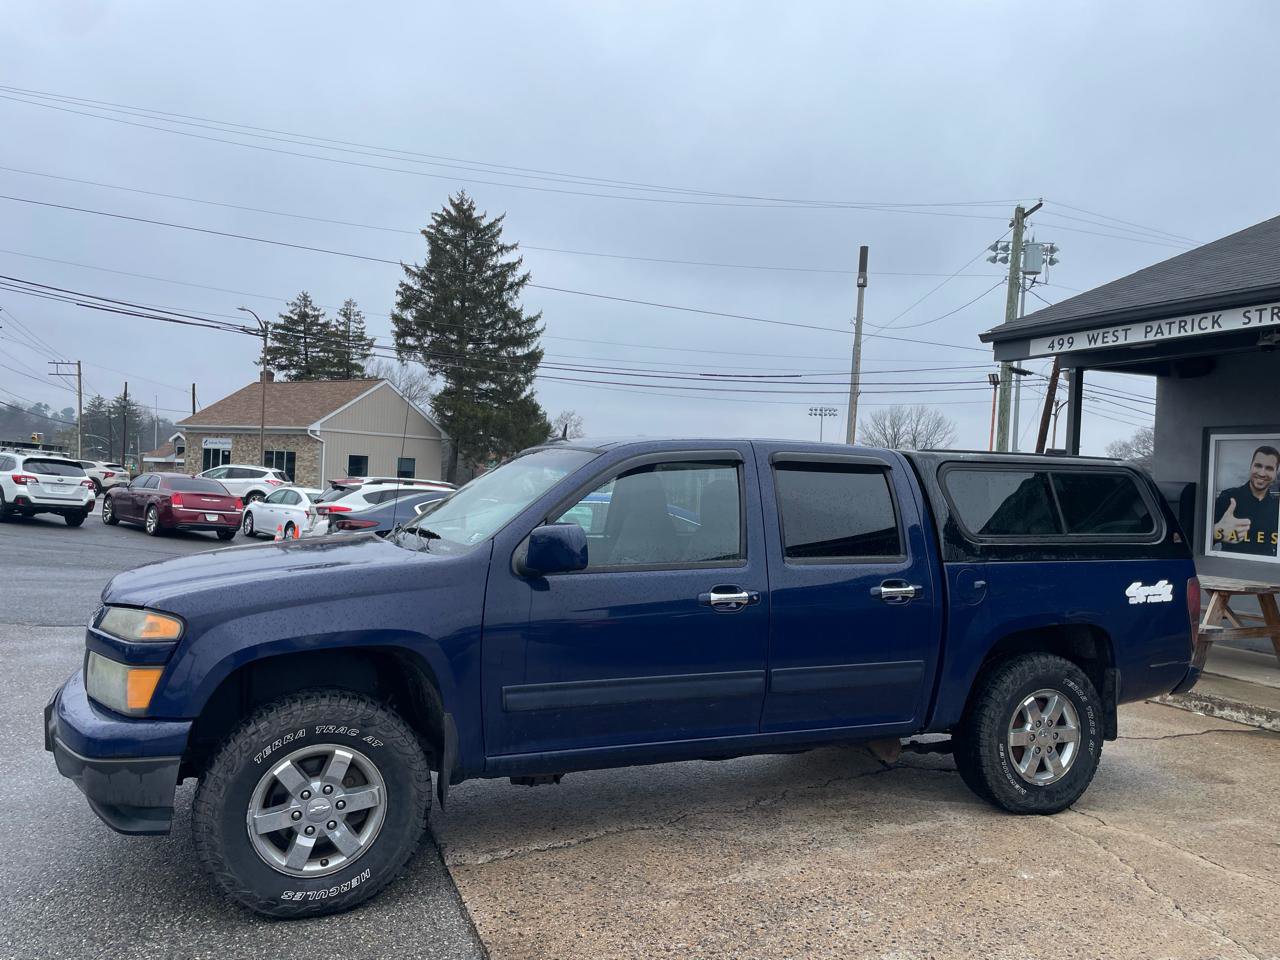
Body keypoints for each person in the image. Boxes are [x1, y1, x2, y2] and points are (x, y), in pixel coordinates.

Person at [1212, 444, 1280, 556]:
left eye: (1269, 468)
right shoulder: (1228, 497)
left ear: (1276, 473)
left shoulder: (1277, 505)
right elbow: (1200, 541)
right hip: (1230, 566)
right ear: (1251, 467)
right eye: (1258, 466)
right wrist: (1215, 532)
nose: (1262, 473)